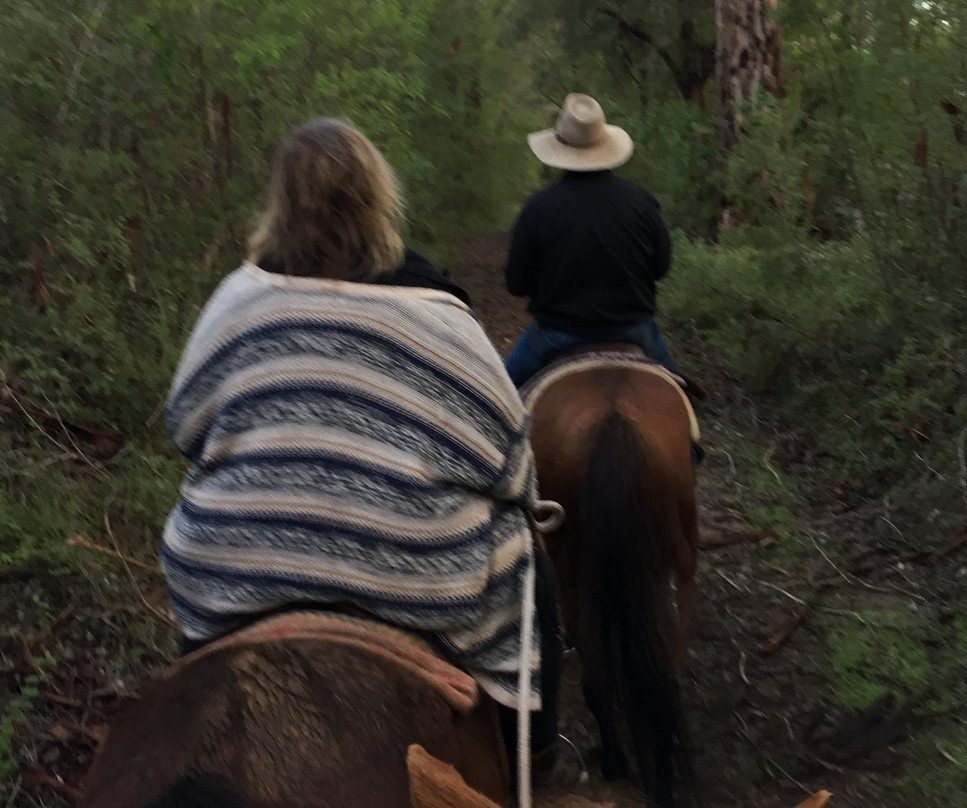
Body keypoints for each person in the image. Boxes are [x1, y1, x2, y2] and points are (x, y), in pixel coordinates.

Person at [160, 117, 559, 769]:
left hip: (238, 572)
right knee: (529, 561)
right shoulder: (440, 317)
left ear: (280, 202)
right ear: (379, 199)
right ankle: (534, 754)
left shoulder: (236, 300)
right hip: (418, 580)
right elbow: (511, 469)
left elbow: (184, 427)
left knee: (190, 673)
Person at [502, 93, 685, 390]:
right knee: (683, 398)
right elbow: (661, 267)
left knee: (495, 397)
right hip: (634, 331)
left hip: (557, 335)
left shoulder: (538, 207)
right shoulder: (642, 201)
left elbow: (516, 284)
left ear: (559, 149)